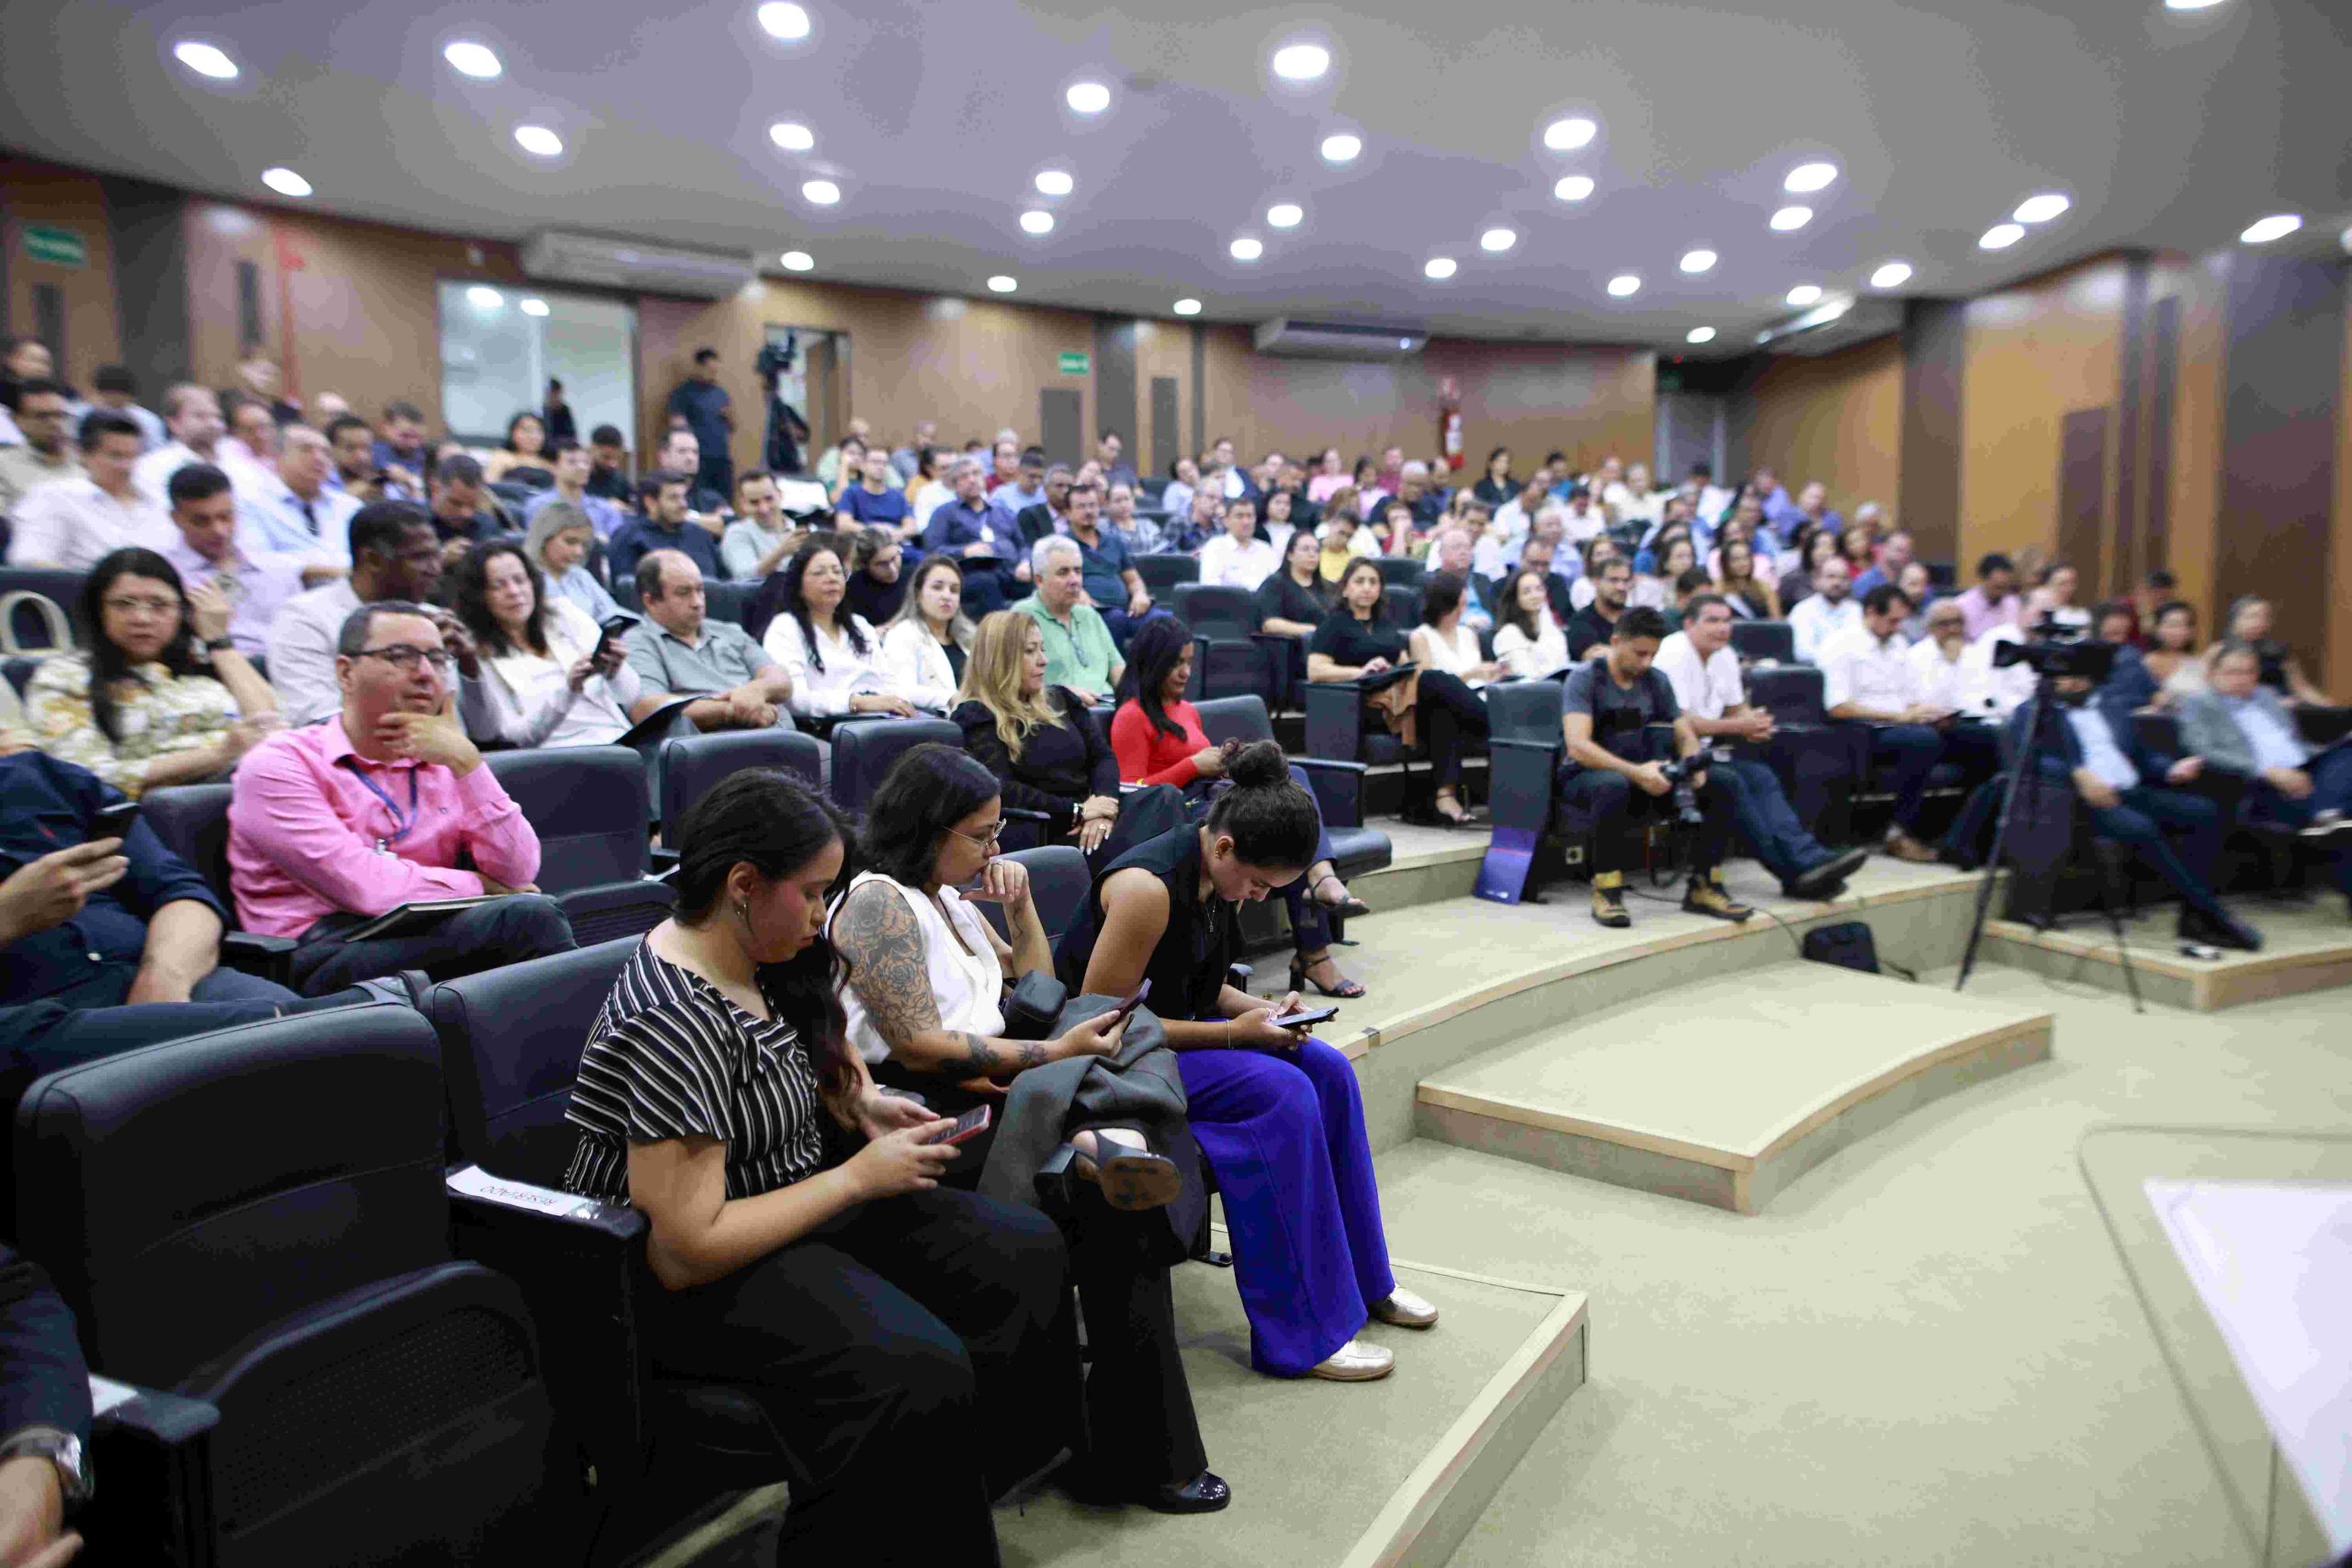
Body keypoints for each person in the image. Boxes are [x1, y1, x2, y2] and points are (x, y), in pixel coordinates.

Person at [560, 769, 1078, 1558]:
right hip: (703, 1275)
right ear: (742, 886)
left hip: (794, 1201)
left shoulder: (767, 950)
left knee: (1022, 1251)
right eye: (811, 893)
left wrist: (862, 1101)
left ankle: (953, 1494)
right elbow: (684, 1249)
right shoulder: (673, 1018)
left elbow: (815, 1046)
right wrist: (856, 1178)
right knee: (913, 1366)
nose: (822, 913)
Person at [829, 746, 1227, 1514]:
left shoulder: (949, 900)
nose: (995, 847)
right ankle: (1147, 1455)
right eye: (981, 834)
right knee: (1116, 1202)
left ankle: (1096, 1145)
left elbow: (1040, 989)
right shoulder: (880, 902)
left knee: (1124, 1042)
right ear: (929, 827)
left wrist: (1022, 910)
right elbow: (919, 1044)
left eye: (997, 831)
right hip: (926, 1107)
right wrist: (1055, 1053)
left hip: (1003, 1075)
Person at [1067, 743, 1434, 1381]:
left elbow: (1203, 988)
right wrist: (1236, 1037)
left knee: (1327, 1071)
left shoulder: (1220, 875)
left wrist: (1264, 1012)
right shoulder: (1146, 888)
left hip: (1169, 1037)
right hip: (1112, 1059)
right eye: (1260, 884)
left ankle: (1365, 1280)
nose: (1261, 896)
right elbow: (1103, 1023)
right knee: (1280, 1095)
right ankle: (1303, 1334)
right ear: (1225, 845)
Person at [230, 601, 576, 995]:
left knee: (540, 917)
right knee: (527, 922)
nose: (426, 673)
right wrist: (482, 885)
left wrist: (468, 763)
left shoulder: (443, 757)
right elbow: (364, 886)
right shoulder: (279, 764)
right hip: (323, 949)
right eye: (401, 656)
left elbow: (518, 873)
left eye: (437, 658)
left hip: (427, 927)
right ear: (345, 672)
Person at [1109, 619, 1365, 997]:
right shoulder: (1132, 715)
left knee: (1289, 795)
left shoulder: (1186, 710)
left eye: (1189, 661)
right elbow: (1132, 792)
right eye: (1176, 662)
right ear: (1152, 662)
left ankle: (1319, 882)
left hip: (1212, 797)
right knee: (1273, 826)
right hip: (1181, 816)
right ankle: (1316, 939)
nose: (1185, 672)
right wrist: (1191, 766)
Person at [2013, 675, 2262, 950]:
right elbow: (2031, 761)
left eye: (2081, 677)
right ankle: (2212, 913)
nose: (2074, 683)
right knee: (2140, 827)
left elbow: (2142, 754)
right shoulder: (2033, 712)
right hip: (2079, 800)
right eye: (2067, 678)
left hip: (2132, 790)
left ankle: (2194, 917)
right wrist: (2076, 774)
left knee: (2204, 812)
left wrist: (2169, 769)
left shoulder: (2111, 706)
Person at [1656, 596, 1871, 898]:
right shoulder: (1673, 653)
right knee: (1734, 784)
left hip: (1707, 752)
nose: (1722, 628)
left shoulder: (1724, 654)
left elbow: (1735, 708)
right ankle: (1797, 873)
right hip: (1669, 754)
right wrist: (1739, 727)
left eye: (1727, 620)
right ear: (1689, 624)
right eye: (1712, 620)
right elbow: (1680, 723)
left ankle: (1808, 863)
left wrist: (1754, 721)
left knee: (1762, 775)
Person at [23, 546, 280, 797]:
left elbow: (268, 724)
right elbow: (86, 775)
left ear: (182, 612)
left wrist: (218, 641)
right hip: (166, 808)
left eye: (159, 605)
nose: (142, 618)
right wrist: (219, 754)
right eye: (124, 604)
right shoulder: (65, 677)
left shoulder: (203, 664)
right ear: (99, 611)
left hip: (254, 783)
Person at [1556, 607, 1756, 928]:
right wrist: (1636, 772)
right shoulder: (1585, 678)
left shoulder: (1656, 679)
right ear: (1616, 641)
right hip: (1587, 776)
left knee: (1723, 782)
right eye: (1640, 653)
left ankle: (1705, 886)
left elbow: (1683, 732)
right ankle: (1607, 890)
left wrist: (1693, 764)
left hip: (1647, 773)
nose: (1646, 662)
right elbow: (1578, 746)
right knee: (1611, 786)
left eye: (1652, 654)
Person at [1819, 585, 1994, 863]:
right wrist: (1898, 717)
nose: (1898, 627)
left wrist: (1930, 712)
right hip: (1863, 731)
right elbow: (1838, 707)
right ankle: (1898, 833)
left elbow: (1911, 699)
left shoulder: (1898, 644)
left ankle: (1967, 837)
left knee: (1984, 738)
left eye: (1901, 620)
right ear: (1871, 612)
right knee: (1922, 740)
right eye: (1893, 621)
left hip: (1905, 724)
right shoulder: (1841, 645)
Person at [2176, 642, 2352, 913]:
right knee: (2342, 818)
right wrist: (2267, 770)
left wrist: (2324, 752)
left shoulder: (2266, 696)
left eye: (2249, 672)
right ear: (2213, 674)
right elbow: (2203, 750)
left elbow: (2295, 743)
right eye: (2233, 672)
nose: (2242, 678)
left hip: (2306, 769)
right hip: (2258, 783)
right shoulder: (2198, 703)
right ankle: (2327, 812)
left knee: (2347, 751)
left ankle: (2325, 813)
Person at [1310, 559, 1488, 826]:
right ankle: (1492, 724)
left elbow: (1406, 664)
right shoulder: (1333, 625)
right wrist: (1361, 671)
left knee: (1443, 707)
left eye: (1373, 582)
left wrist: (1396, 668)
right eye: (1359, 581)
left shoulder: (1386, 624)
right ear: (1345, 588)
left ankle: (1444, 798)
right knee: (1437, 679)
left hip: (1399, 695)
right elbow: (1316, 670)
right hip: (1364, 703)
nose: (1367, 588)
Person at [269, 502, 454, 727]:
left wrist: (467, 670)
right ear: (373, 560)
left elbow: (482, 731)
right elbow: (313, 716)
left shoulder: (434, 620)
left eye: (437, 556)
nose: (434, 569)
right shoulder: (305, 618)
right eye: (419, 557)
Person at [955, 613, 1125, 856]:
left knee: (1164, 798)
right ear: (1000, 659)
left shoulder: (1062, 698)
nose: (1043, 660)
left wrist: (1104, 811)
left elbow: (1103, 756)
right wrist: (1076, 810)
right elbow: (1001, 788)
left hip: (1096, 820)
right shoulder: (977, 715)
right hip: (1051, 829)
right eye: (1030, 651)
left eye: (1042, 649)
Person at [454, 541, 638, 749]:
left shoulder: (564, 613)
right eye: (498, 585)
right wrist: (568, 691)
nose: (514, 591)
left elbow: (630, 696)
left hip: (621, 741)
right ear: (478, 596)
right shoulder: (477, 655)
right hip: (558, 756)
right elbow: (508, 737)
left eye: (520, 580)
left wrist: (615, 671)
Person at [625, 551, 797, 733]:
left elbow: (781, 679)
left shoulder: (730, 631)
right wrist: (733, 710)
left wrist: (756, 691)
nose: (697, 602)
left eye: (700, 590)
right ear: (651, 601)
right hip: (711, 744)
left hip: (780, 736)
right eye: (683, 593)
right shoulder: (638, 642)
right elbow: (648, 708)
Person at [153, 464, 307, 660]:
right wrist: (229, 571)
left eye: (225, 517)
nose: (218, 530)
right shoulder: (164, 574)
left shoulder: (275, 568)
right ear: (176, 519)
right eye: (201, 521)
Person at [760, 543, 916, 727]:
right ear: (798, 586)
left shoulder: (859, 624)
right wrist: (857, 702)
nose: (832, 578)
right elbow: (795, 700)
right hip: (828, 726)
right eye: (819, 573)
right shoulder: (785, 627)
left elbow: (889, 680)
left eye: (837, 571)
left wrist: (900, 703)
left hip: (882, 717)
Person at [4, 411, 171, 570]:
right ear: (83, 454)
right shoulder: (53, 497)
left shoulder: (159, 499)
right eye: (116, 456)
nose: (126, 467)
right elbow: (30, 561)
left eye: (132, 456)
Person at [1012, 537, 1124, 705]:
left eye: (1077, 571)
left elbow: (1117, 669)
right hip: (1055, 711)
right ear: (1039, 580)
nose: (1074, 580)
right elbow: (1012, 681)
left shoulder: (1090, 615)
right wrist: (1062, 694)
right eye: (1063, 572)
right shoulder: (1021, 616)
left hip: (1106, 708)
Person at [239, 423, 362, 564]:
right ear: (278, 456)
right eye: (306, 449)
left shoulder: (350, 507)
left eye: (326, 453)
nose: (319, 458)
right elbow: (257, 561)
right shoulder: (251, 502)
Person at [132, 384, 264, 508]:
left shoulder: (238, 460)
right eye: (201, 416)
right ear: (174, 423)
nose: (213, 424)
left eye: (217, 417)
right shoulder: (152, 467)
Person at [923, 457, 1023, 615]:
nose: (972, 480)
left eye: (976, 473)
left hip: (1011, 571)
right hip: (969, 575)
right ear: (954, 484)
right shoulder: (944, 513)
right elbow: (933, 551)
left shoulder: (1002, 512)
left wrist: (1025, 562)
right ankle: (999, 629)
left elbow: (1023, 544)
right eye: (964, 476)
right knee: (985, 582)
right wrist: (964, 551)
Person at [1906, 598, 2031, 720]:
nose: (1953, 629)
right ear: (1931, 627)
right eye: (1945, 624)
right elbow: (1927, 700)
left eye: (1958, 622)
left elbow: (1988, 693)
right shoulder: (1916, 656)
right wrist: (1951, 663)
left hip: (1976, 719)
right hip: (1935, 722)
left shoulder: (1976, 653)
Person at [1060, 479, 1152, 644]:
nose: (1089, 511)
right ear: (1067, 513)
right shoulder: (1061, 545)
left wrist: (1139, 594)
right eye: (1081, 507)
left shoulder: (1114, 541)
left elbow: (1133, 579)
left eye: (1092, 505)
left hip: (1128, 611)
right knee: (1116, 619)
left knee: (1163, 622)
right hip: (1089, 612)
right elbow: (1056, 582)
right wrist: (1076, 593)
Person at [879, 557, 971, 712]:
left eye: (954, 590)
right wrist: (950, 698)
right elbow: (901, 689)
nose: (947, 596)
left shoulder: (970, 637)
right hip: (934, 723)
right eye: (937, 587)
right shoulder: (903, 634)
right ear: (917, 594)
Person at [2213, 596, 2332, 706]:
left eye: (2265, 617)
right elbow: (2213, 690)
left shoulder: (2279, 651)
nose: (2259, 622)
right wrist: (2272, 703)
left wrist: (2329, 707)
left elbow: (2302, 688)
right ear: (2235, 620)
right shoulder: (2219, 650)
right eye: (2252, 616)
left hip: (2287, 707)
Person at [609, 470, 721, 586]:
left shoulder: (700, 535)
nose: (683, 504)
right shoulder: (629, 537)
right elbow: (626, 589)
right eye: (673, 498)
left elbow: (722, 582)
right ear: (651, 502)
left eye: (684, 497)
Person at [523, 499, 622, 624]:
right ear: (544, 538)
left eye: (584, 545)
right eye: (570, 542)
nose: (578, 552)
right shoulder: (523, 578)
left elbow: (613, 614)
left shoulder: (581, 576)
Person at [0, 380, 81, 520]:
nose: (55, 424)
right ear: (18, 421)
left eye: (59, 415)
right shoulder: (4, 466)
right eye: (42, 417)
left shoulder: (90, 461)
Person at [1410, 571, 1504, 690]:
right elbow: (1426, 687)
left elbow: (1481, 677)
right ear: (1442, 606)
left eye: (1464, 605)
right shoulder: (1421, 637)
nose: (1461, 611)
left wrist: (1492, 673)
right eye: (1456, 606)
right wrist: (1468, 675)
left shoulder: (1469, 634)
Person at [521, 439, 628, 540]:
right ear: (555, 467)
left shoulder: (605, 509)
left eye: (586, 463)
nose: (582, 467)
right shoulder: (539, 505)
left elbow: (618, 544)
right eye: (572, 462)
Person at [665, 348, 735, 499]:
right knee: (698, 499)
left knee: (725, 500)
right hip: (696, 459)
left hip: (722, 458)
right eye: (710, 369)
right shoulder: (683, 393)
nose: (713, 373)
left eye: (716, 370)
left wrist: (729, 416)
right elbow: (677, 425)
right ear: (698, 367)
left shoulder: (720, 393)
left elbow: (732, 426)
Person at [718, 468, 803, 581]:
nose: (764, 509)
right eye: (754, 502)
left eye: (769, 499)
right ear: (743, 503)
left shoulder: (804, 529)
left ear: (780, 495)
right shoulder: (736, 533)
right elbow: (745, 578)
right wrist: (782, 552)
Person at [1493, 566, 1571, 680]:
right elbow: (1524, 675)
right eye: (1527, 592)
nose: (1535, 596)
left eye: (1539, 589)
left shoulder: (1553, 630)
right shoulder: (1508, 634)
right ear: (1516, 598)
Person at [1788, 555, 1861, 663]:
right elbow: (1803, 653)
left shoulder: (1857, 610)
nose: (1837, 583)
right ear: (1816, 580)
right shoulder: (1803, 611)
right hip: (1815, 670)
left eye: (1843, 578)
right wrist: (1838, 658)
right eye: (1831, 577)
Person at [1197, 497, 1278, 592]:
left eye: (1250, 516)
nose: (1246, 522)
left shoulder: (1265, 549)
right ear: (1226, 521)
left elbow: (1278, 585)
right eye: (1239, 516)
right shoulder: (1215, 547)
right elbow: (1210, 588)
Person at [2135, 601, 2206, 706]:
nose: (2180, 631)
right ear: (2157, 628)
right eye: (2173, 625)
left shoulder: (2198, 662)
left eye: (2186, 625)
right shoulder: (2147, 662)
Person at [1566, 554, 1634, 659]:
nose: (1621, 587)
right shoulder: (1580, 621)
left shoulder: (1636, 619)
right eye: (1614, 580)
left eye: (1626, 581)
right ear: (1596, 581)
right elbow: (1594, 659)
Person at [836, 446, 913, 536]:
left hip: (895, 539)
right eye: (875, 462)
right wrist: (875, 531)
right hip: (864, 540)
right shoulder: (851, 493)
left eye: (884, 463)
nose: (880, 467)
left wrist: (898, 533)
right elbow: (844, 524)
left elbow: (911, 526)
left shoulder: (898, 496)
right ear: (863, 466)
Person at [89, 363, 167, 451]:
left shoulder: (147, 420)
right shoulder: (85, 414)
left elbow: (156, 451)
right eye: (108, 394)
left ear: (129, 396)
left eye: (118, 394)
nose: (113, 398)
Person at [1954, 552, 2024, 641]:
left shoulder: (2013, 603)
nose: (2001, 593)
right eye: (1997, 587)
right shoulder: (1962, 606)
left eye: (2005, 587)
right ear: (1983, 579)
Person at [583, 424, 633, 503]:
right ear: (592, 448)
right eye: (606, 457)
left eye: (616, 458)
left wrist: (624, 507)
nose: (612, 464)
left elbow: (633, 507)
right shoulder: (577, 478)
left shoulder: (619, 480)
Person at [1159, 457, 1199, 525]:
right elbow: (1170, 515)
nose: (1190, 474)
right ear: (1178, 476)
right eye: (1184, 472)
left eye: (1191, 469)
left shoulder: (1206, 485)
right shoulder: (1174, 490)